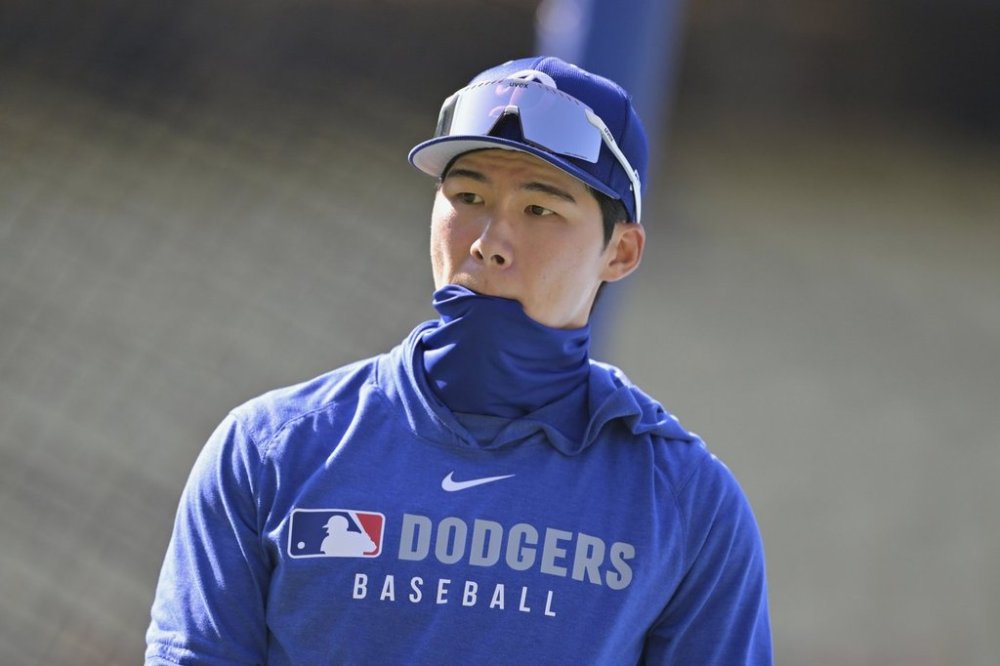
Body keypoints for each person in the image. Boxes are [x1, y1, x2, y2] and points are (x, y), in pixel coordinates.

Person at [146, 56, 772, 665]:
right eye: (468, 195)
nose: (488, 242)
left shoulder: (685, 503)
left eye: (539, 209)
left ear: (621, 252)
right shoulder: (271, 452)